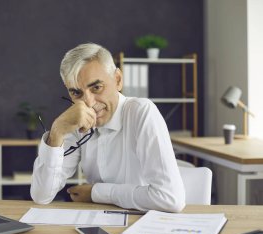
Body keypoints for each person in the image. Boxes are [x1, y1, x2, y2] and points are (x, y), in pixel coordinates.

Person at [30, 43, 185, 212]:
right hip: (98, 225)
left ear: (118, 80)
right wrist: (57, 131)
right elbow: (41, 196)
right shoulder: (77, 120)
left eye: (96, 87)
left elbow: (171, 199)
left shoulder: (141, 112)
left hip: (142, 224)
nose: (88, 103)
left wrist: (96, 193)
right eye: (76, 93)